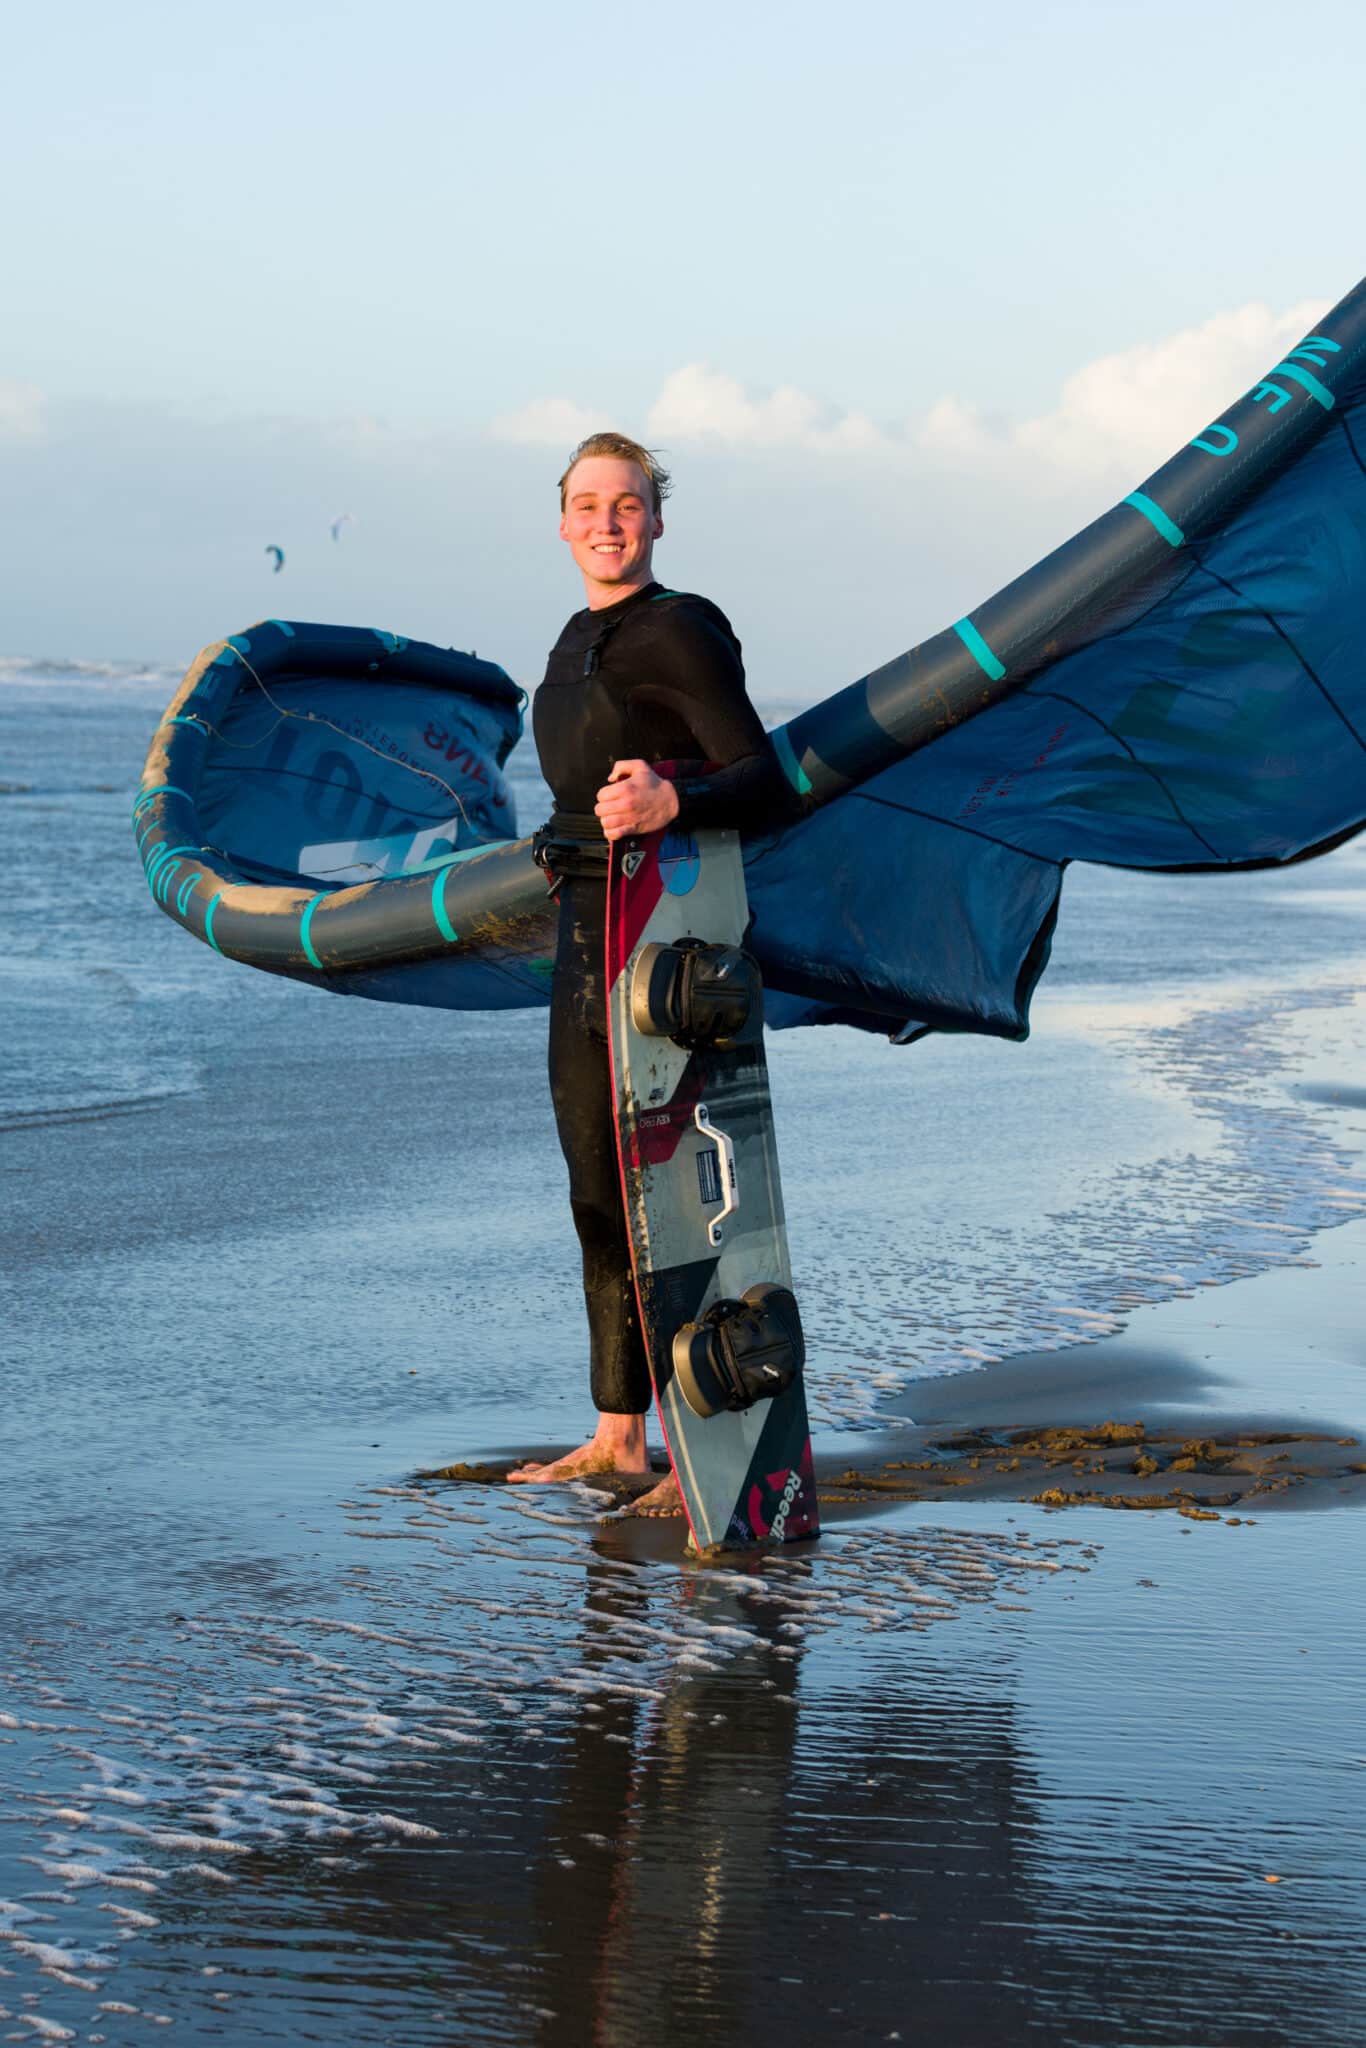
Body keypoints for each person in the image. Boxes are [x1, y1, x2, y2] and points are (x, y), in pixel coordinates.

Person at [508, 431, 791, 1508]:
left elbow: (764, 780)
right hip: (583, 935)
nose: (606, 523)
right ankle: (617, 1434)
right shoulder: (576, 635)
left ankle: (704, 1443)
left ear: (657, 518)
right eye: (587, 505)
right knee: (597, 1192)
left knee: (676, 1191)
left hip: (666, 941)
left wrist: (679, 800)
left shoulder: (680, 628)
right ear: (564, 520)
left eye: (626, 504)